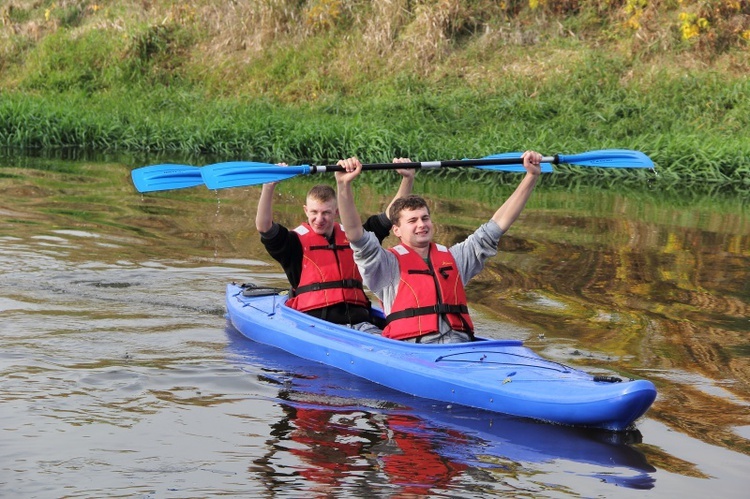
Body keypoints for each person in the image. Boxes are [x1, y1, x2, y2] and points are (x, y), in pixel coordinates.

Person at [335, 151, 543, 343]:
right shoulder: (385, 265)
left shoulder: (454, 258)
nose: (421, 224)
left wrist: (531, 177)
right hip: (413, 352)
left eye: (425, 218)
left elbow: (497, 225)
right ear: (396, 230)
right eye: (412, 221)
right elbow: (355, 234)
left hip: (461, 348)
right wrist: (344, 186)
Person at [255, 160, 415, 330]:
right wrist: (268, 187)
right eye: (314, 212)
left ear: (337, 212)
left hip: (359, 323)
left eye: (326, 213)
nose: (319, 219)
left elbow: (391, 216)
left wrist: (408, 179)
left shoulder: (357, 238)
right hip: (313, 326)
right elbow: (264, 227)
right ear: (305, 210)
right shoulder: (293, 244)